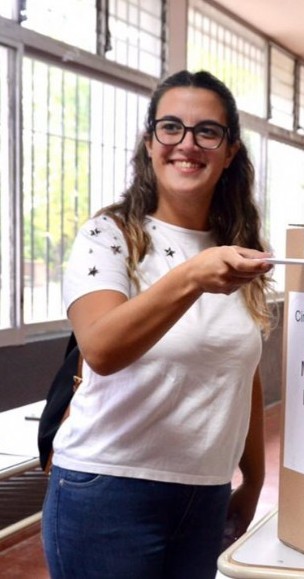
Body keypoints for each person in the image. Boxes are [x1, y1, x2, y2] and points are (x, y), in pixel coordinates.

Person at [41, 70, 275, 579]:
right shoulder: (109, 236)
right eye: (171, 128)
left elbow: (242, 371)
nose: (187, 144)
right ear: (150, 142)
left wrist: (253, 478)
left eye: (207, 131)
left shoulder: (240, 243)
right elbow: (102, 348)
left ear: (230, 149)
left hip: (205, 494)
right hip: (107, 490)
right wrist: (190, 276)